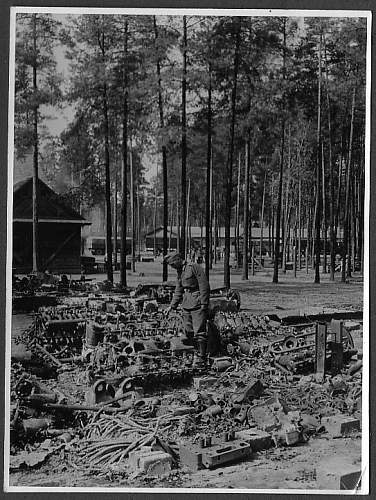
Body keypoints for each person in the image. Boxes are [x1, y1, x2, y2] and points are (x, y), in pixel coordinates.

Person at [164, 251, 210, 368]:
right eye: (171, 265)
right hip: (186, 304)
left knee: (199, 332)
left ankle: (202, 357)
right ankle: (192, 354)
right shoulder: (180, 272)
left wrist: (204, 303)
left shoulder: (194, 267)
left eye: (173, 264)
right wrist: (172, 306)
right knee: (188, 331)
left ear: (179, 259)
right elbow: (178, 290)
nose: (172, 267)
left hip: (197, 302)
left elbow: (204, 285)